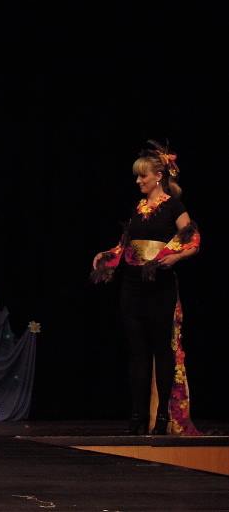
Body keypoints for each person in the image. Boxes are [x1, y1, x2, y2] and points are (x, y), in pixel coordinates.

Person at [91, 141, 200, 435]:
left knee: (161, 351)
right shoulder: (138, 208)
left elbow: (192, 239)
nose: (138, 181)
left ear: (158, 177)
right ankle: (138, 417)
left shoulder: (174, 206)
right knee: (137, 351)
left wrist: (176, 257)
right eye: (137, 176)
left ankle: (162, 416)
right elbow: (125, 244)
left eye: (143, 176)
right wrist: (107, 255)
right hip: (132, 285)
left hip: (159, 285)